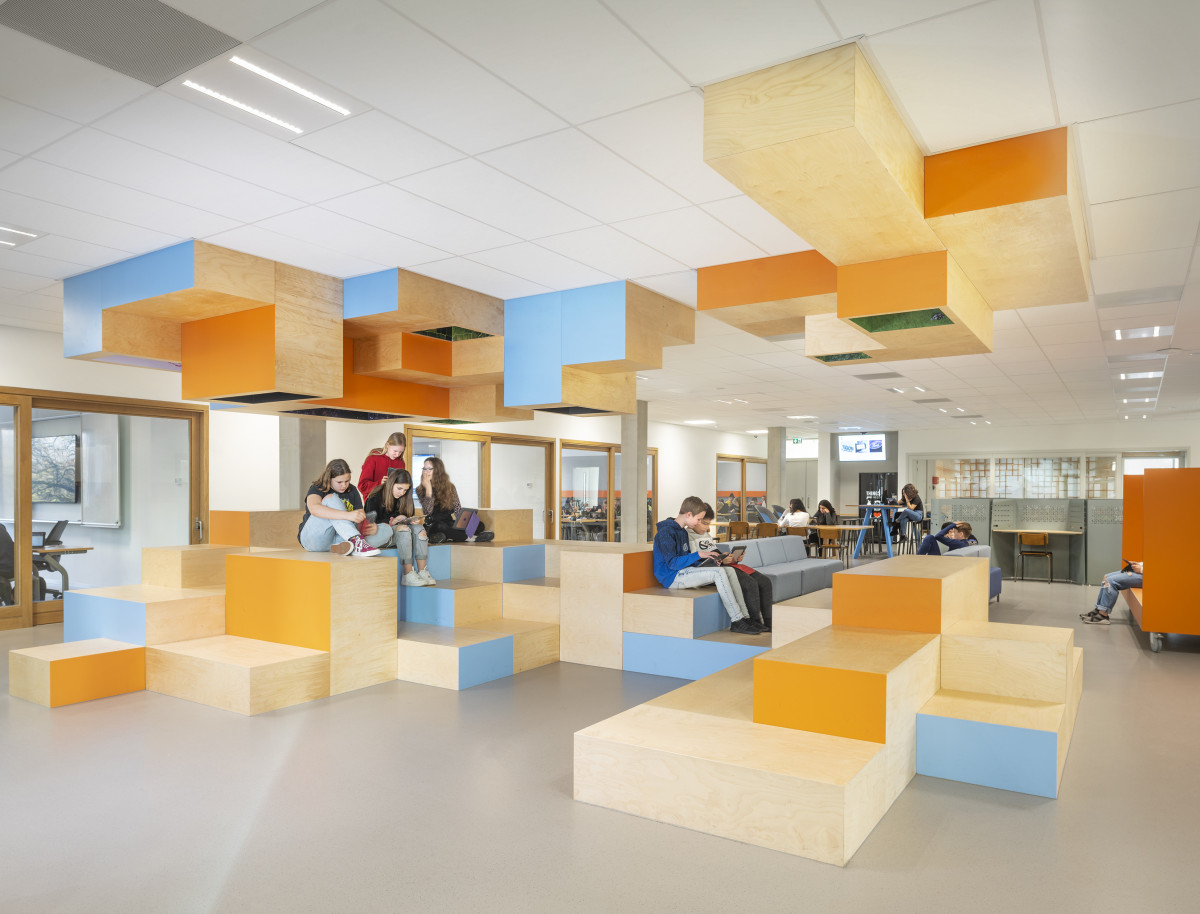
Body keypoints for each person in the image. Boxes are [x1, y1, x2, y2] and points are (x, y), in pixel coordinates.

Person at [652, 496, 761, 635]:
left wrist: (709, 560)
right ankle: (737, 620)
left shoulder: (682, 531)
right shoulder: (665, 532)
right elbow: (673, 563)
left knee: (728, 570)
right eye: (699, 519)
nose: (699, 523)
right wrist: (698, 554)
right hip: (671, 577)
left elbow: (686, 560)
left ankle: (745, 617)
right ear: (689, 514)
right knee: (718, 573)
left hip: (684, 572)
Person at [692, 504, 774, 633]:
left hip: (724, 565)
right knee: (750, 583)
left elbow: (715, 552)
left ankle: (768, 622)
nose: (708, 528)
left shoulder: (706, 535)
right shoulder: (688, 536)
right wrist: (721, 560)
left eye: (708, 524)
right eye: (705, 523)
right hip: (714, 570)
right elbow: (698, 561)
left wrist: (731, 557)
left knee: (765, 582)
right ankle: (754, 621)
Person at [297, 459, 380, 557]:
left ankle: (343, 546)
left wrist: (368, 525)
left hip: (338, 539)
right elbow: (314, 509)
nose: (344, 485)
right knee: (330, 499)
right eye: (339, 482)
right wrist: (347, 515)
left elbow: (360, 515)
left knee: (385, 530)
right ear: (329, 478)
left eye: (347, 481)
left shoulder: (352, 490)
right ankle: (356, 541)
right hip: (313, 539)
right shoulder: (317, 487)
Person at [365, 469, 434, 586]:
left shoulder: (405, 498)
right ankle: (407, 574)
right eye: (399, 488)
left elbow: (408, 516)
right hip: (383, 533)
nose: (402, 493)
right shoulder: (375, 496)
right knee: (403, 529)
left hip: (400, 532)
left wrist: (410, 520)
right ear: (391, 483)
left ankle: (422, 571)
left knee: (420, 530)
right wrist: (393, 521)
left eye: (405, 490)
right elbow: (371, 524)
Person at [417, 457, 493, 544]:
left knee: (479, 524)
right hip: (433, 525)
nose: (426, 472)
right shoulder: (420, 490)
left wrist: (465, 522)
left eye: (429, 469)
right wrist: (428, 489)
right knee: (440, 526)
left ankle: (449, 536)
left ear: (438, 470)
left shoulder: (450, 487)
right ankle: (471, 538)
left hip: (448, 523)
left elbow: (457, 510)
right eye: (424, 469)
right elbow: (427, 511)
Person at [358, 432, 406, 503]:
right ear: (387, 445)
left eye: (400, 452)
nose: (397, 455)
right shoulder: (373, 458)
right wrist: (380, 483)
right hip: (373, 503)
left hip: (392, 504)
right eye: (395, 451)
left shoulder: (401, 463)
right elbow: (362, 486)